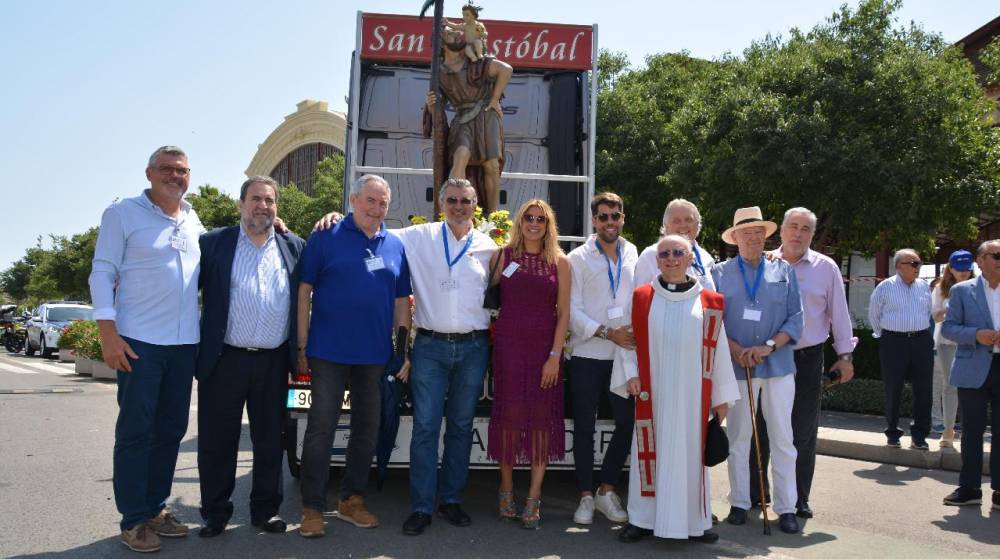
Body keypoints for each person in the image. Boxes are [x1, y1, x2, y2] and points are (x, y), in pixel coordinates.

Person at [311, 178, 494, 536]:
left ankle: (452, 501)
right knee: (426, 428)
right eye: (452, 200)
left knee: (459, 426)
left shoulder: (490, 246)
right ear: (442, 204)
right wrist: (336, 217)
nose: (459, 206)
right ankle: (422, 507)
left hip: (474, 348)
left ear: (476, 205)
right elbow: (368, 227)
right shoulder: (416, 236)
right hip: (430, 346)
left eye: (466, 201)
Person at [90, 146, 205, 553]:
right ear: (150, 173)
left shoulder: (192, 218)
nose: (176, 176)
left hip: (183, 344)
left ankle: (155, 507)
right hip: (139, 342)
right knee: (137, 432)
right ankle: (134, 519)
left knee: (171, 431)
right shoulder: (122, 213)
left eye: (183, 170)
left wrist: (272, 223)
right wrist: (108, 332)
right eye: (168, 170)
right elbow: (102, 270)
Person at [296, 175, 412, 538]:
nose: (376, 209)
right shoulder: (324, 237)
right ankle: (313, 507)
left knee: (367, 429)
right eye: (370, 201)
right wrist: (300, 346)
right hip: (327, 353)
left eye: (382, 204)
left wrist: (402, 351)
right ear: (353, 200)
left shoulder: (393, 245)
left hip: (374, 356)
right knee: (320, 429)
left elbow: (401, 302)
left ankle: (351, 500)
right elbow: (303, 292)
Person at [194, 176, 305, 538]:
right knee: (217, 441)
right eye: (255, 199)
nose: (263, 206)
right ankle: (215, 513)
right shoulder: (213, 244)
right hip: (224, 359)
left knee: (271, 440)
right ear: (241, 204)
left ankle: (265, 511)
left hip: (274, 362)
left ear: (277, 207)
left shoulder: (293, 246)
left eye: (270, 201)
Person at [613, 235, 740, 544]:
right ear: (657, 260)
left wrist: (721, 397)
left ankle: (695, 523)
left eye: (678, 253)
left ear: (688, 258)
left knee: (690, 454)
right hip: (652, 394)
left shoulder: (709, 302)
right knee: (648, 452)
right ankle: (642, 520)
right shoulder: (642, 297)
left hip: (692, 396)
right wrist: (630, 373)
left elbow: (719, 350)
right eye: (665, 253)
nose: (671, 258)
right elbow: (628, 342)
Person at [749, 207, 857, 519]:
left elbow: (839, 314)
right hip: (767, 356)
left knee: (802, 431)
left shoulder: (826, 268)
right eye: (793, 227)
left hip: (807, 358)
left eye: (805, 229)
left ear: (812, 234)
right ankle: (758, 495)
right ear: (781, 231)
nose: (798, 233)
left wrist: (845, 356)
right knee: (761, 427)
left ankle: (797, 499)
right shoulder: (763, 263)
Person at [711, 206, 803, 535]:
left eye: (758, 232)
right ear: (734, 238)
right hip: (736, 367)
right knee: (739, 438)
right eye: (745, 233)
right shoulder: (719, 273)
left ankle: (787, 507)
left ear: (766, 235)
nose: (752, 238)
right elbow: (713, 320)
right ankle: (739, 502)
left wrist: (768, 347)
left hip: (776, 365)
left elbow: (796, 319)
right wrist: (735, 350)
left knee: (782, 438)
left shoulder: (784, 271)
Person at [487, 199, 571, 529]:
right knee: (509, 416)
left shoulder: (560, 263)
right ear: (519, 223)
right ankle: (505, 489)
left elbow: (563, 313)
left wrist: (554, 356)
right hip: (508, 347)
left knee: (540, 421)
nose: (534, 223)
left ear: (549, 225)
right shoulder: (501, 257)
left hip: (543, 351)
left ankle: (534, 498)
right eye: (528, 218)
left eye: (541, 219)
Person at [566, 192, 638, 526]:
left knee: (626, 423)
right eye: (604, 216)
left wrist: (630, 333)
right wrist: (608, 333)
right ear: (594, 221)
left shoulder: (634, 252)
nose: (610, 222)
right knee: (584, 425)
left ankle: (606, 490)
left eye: (616, 215)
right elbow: (571, 311)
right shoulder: (577, 258)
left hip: (624, 356)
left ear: (622, 218)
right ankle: (583, 495)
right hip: (587, 353)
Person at [424, 23, 513, 214]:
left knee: (491, 165)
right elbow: (437, 107)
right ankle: (452, 210)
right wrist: (433, 108)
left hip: (487, 114)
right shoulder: (438, 73)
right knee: (460, 156)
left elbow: (506, 70)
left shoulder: (476, 62)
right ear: (441, 43)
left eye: (457, 32)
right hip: (462, 118)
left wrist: (495, 98)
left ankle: (492, 215)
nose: (457, 34)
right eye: (450, 33)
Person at [940, 239, 1000, 508]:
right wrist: (977, 335)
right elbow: (949, 328)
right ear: (982, 260)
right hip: (972, 367)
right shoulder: (963, 291)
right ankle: (970, 488)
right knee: (972, 431)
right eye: (997, 255)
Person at [868, 248, 933, 450]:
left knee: (924, 390)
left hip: (921, 340)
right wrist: (886, 337)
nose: (917, 267)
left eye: (919, 263)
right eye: (913, 264)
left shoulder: (923, 287)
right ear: (898, 266)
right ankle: (893, 433)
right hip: (894, 342)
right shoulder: (885, 287)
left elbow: (928, 311)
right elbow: (874, 315)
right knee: (893, 388)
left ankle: (920, 435)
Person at [931, 250, 975, 449]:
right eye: (960, 269)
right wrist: (953, 308)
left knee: (975, 386)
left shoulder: (979, 286)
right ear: (950, 268)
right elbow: (935, 316)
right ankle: (948, 429)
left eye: (967, 269)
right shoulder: (941, 289)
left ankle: (972, 429)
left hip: (973, 341)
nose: (964, 273)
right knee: (950, 386)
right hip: (947, 342)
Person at [634, 198, 715, 290]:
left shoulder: (706, 258)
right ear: (666, 226)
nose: (683, 225)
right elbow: (639, 298)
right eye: (676, 221)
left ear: (698, 224)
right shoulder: (650, 255)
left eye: (689, 220)